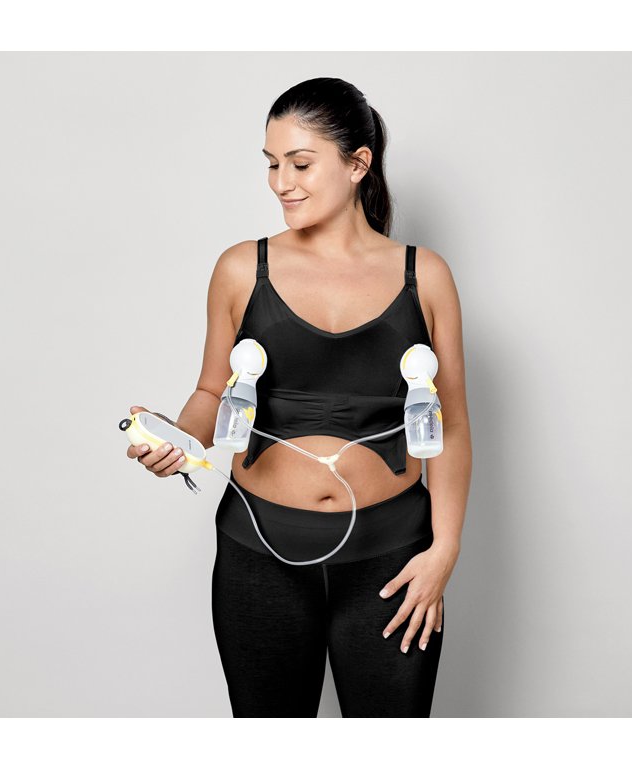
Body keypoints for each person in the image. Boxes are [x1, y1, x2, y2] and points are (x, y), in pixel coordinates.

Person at [125, 77, 471, 717]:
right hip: (259, 555)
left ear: (358, 164)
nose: (281, 182)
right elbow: (211, 391)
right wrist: (178, 438)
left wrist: (443, 551)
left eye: (301, 164)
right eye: (271, 164)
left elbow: (449, 428)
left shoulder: (424, 275)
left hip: (391, 560)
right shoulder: (241, 269)